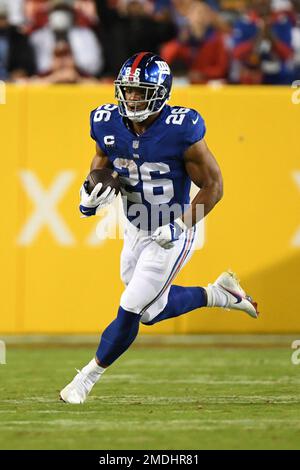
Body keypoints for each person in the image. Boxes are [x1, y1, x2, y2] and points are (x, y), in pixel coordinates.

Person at [60, 51, 259, 404]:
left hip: (171, 230)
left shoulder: (182, 129)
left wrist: (181, 227)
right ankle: (221, 294)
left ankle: (85, 380)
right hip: (134, 227)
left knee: (132, 305)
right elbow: (101, 165)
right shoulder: (106, 122)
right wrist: (88, 194)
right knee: (151, 312)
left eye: (140, 91)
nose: (132, 98)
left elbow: (215, 186)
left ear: (161, 91)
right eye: (129, 90)